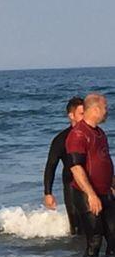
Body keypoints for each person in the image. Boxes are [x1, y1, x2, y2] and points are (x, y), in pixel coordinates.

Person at [66, 93, 115, 257]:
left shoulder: (99, 132)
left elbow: (104, 160)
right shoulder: (78, 134)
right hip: (86, 193)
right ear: (95, 109)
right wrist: (91, 195)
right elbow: (76, 168)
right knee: (95, 239)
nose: (107, 111)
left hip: (105, 192)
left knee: (113, 236)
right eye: (105, 108)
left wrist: (112, 184)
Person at [43, 97, 84, 235]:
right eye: (81, 114)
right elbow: (51, 166)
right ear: (71, 116)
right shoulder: (61, 139)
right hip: (71, 186)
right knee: (77, 228)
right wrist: (48, 193)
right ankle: (77, 256)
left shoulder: (93, 135)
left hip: (92, 184)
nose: (85, 118)